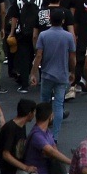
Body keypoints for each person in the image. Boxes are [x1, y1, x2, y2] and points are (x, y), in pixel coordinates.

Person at [31, 8, 76, 141]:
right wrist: (72, 71)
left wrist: (33, 73)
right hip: (62, 75)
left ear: (50, 20)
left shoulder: (43, 35)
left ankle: (42, 131)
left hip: (46, 74)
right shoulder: (68, 36)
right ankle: (54, 136)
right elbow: (72, 57)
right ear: (63, 21)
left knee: (44, 102)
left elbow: (39, 55)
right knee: (58, 105)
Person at [24, 102, 72, 174]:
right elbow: (51, 151)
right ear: (51, 116)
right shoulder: (37, 135)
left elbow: (54, 149)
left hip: (51, 173)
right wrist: (71, 162)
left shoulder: (47, 132)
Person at [0, 99, 38, 174]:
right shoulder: (10, 128)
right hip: (11, 171)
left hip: (19, 167)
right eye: (34, 112)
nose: (35, 115)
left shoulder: (22, 126)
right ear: (29, 114)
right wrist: (25, 168)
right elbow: (6, 155)